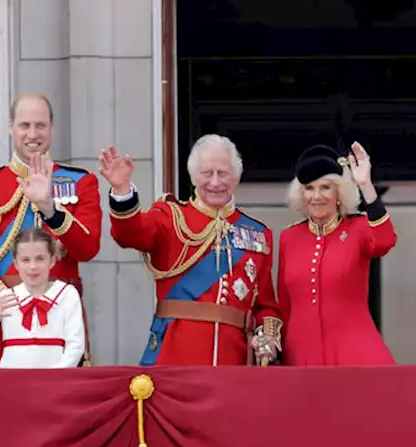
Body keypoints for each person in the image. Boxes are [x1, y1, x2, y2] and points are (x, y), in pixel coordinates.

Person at [100, 135, 280, 366]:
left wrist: (268, 338)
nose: (215, 182)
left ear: (236, 177)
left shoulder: (257, 233)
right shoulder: (170, 217)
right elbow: (130, 234)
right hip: (176, 356)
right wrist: (122, 192)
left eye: (223, 173)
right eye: (207, 173)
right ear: (193, 176)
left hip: (233, 360)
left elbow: (266, 305)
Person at [0, 94, 102, 366]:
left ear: (52, 128)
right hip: (2, 326)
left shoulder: (81, 182)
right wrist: (9, 304)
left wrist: (51, 209)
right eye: (25, 125)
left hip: (61, 319)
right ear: (11, 127)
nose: (32, 134)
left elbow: (88, 248)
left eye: (41, 125)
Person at [277, 143, 396, 366]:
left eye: (325, 187)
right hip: (301, 354)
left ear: (339, 192)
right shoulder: (289, 238)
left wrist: (365, 185)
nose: (316, 196)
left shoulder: (358, 228)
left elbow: (385, 241)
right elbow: (284, 304)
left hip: (354, 350)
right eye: (309, 188)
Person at [0, 228, 86, 368]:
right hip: (12, 383)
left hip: (53, 383)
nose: (33, 266)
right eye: (25, 260)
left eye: (40, 258)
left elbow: (76, 346)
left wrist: (56, 378)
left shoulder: (67, 294)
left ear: (52, 261)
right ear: (16, 264)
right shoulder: (7, 297)